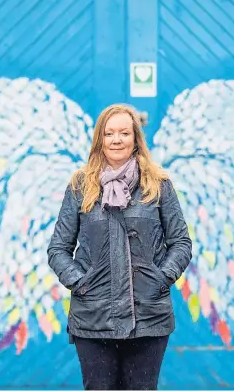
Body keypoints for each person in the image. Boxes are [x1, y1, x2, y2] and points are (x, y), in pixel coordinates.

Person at [47, 104, 192, 390]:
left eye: (124, 133)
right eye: (109, 133)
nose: (116, 140)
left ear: (136, 138)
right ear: (99, 139)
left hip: (148, 315)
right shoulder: (80, 185)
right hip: (93, 316)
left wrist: (161, 279)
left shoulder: (158, 183)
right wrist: (81, 283)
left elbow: (181, 242)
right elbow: (58, 249)